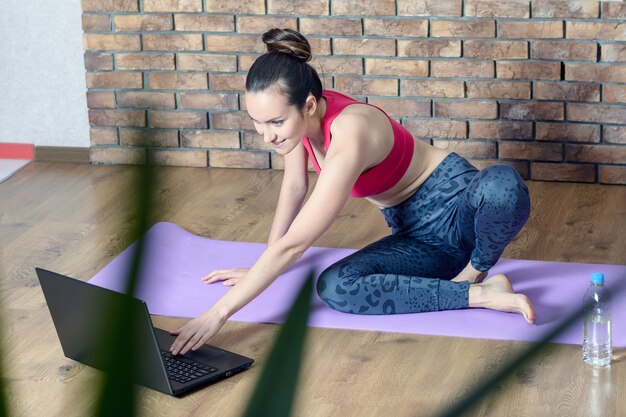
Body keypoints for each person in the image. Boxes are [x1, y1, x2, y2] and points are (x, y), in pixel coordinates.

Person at [169, 28, 535, 356]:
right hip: (419, 238)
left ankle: (476, 272)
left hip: (461, 207)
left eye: (276, 122)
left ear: (309, 105)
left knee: (502, 183)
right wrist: (262, 267)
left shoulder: (350, 130)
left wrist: (218, 312)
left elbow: (296, 245)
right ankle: (481, 294)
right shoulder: (297, 125)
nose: (267, 135)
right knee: (336, 286)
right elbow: (296, 186)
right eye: (257, 123)